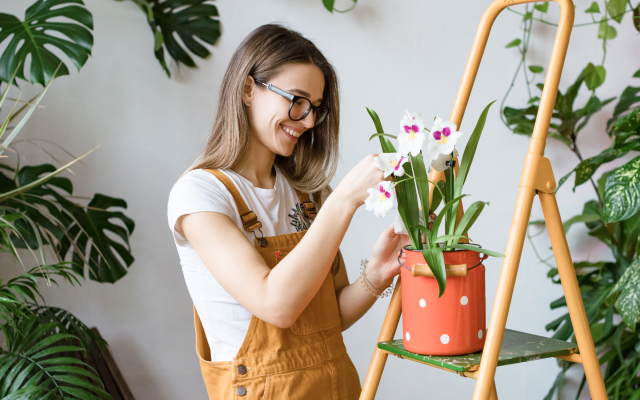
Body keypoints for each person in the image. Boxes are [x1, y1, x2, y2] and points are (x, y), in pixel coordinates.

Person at [167, 24, 408, 399]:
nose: (308, 121)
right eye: (296, 100)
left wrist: (375, 276)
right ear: (248, 89)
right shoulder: (199, 195)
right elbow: (276, 306)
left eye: (315, 108)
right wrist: (344, 201)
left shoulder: (305, 194)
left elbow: (330, 318)